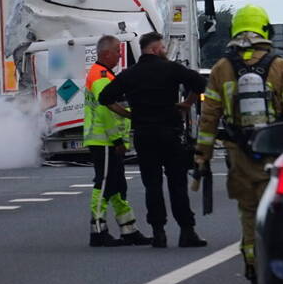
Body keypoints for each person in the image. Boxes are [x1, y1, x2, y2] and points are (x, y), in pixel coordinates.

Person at [196, 5, 283, 284]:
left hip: (238, 152)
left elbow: (209, 118)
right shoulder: (279, 65)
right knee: (278, 208)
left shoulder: (222, 68)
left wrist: (202, 157)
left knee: (248, 210)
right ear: (264, 30)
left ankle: (251, 263)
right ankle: (278, 262)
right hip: (275, 150)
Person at [99, 31, 208, 249]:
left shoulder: (130, 74)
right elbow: (200, 83)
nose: (164, 51)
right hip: (170, 134)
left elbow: (105, 98)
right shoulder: (171, 69)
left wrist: (130, 114)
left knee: (152, 185)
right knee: (177, 184)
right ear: (155, 49)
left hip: (144, 135)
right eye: (163, 48)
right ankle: (187, 232)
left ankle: (159, 233)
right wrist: (187, 104)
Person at [83, 35, 151, 247]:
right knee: (103, 185)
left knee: (117, 186)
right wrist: (117, 139)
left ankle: (128, 229)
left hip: (107, 140)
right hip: (104, 140)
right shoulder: (101, 75)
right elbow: (105, 110)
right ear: (105, 54)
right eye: (117, 51)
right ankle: (98, 231)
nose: (120, 55)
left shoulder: (105, 74)